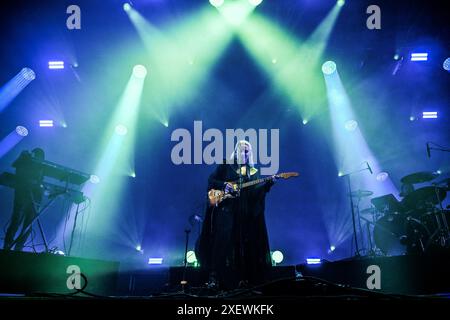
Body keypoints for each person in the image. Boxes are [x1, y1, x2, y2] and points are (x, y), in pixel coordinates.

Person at [196, 140, 275, 290]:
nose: (244, 153)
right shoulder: (226, 165)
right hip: (226, 213)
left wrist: (267, 185)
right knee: (222, 245)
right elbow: (211, 180)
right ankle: (216, 278)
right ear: (236, 151)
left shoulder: (253, 172)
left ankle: (240, 280)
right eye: (241, 150)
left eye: (246, 151)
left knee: (242, 247)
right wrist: (224, 185)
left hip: (242, 217)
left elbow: (254, 195)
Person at [3, 148, 45, 251]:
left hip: (35, 198)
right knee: (16, 221)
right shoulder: (24, 160)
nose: (38, 158)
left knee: (28, 224)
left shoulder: (42, 167)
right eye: (37, 155)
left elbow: (39, 182)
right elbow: (16, 167)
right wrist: (23, 156)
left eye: (40, 157)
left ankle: (19, 248)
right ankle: (7, 246)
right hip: (22, 195)